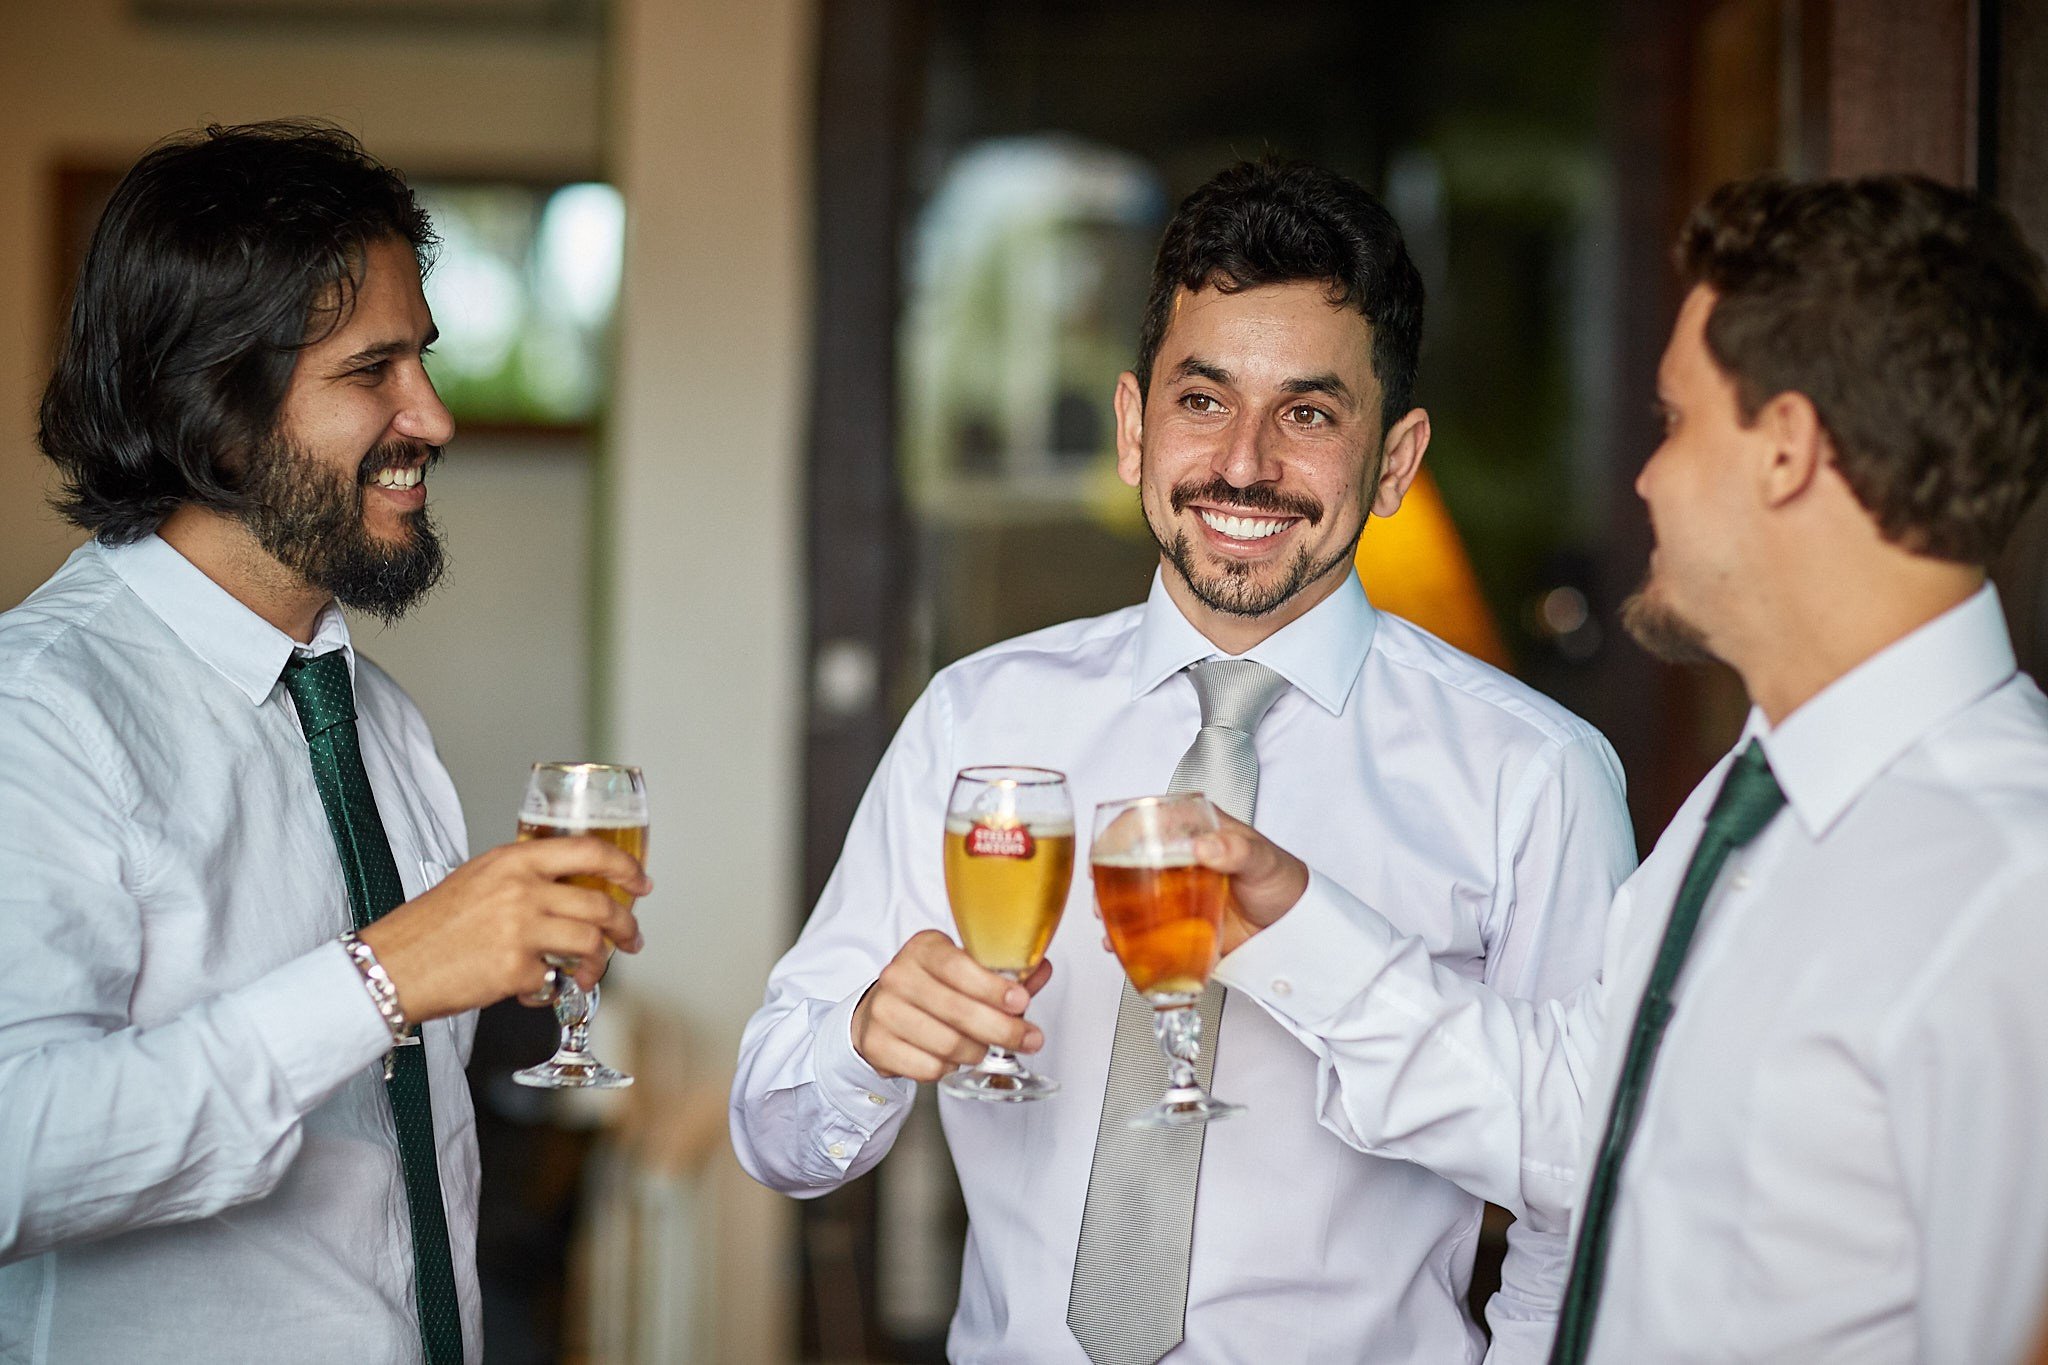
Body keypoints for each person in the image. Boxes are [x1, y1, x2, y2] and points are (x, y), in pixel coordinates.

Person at [731, 158, 1638, 1363]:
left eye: (1308, 414)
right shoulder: (975, 722)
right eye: (1202, 401)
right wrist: (858, 1041)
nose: (1245, 463)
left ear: (1395, 460)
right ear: (1131, 425)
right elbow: (777, 1140)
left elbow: (1579, 1210)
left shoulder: (1535, 775)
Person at [1198, 174, 2048, 1364]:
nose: (1644, 479)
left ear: (1785, 453)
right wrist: (1295, 926)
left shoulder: (2010, 889)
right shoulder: (1746, 807)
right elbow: (1578, 1123)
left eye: (1675, 422)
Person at [0, 122, 649, 1365]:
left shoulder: (374, 716)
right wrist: (381, 979)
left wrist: (492, 973)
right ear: (214, 408)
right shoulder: (40, 711)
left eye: (427, 360)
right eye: (373, 372)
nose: (435, 417)